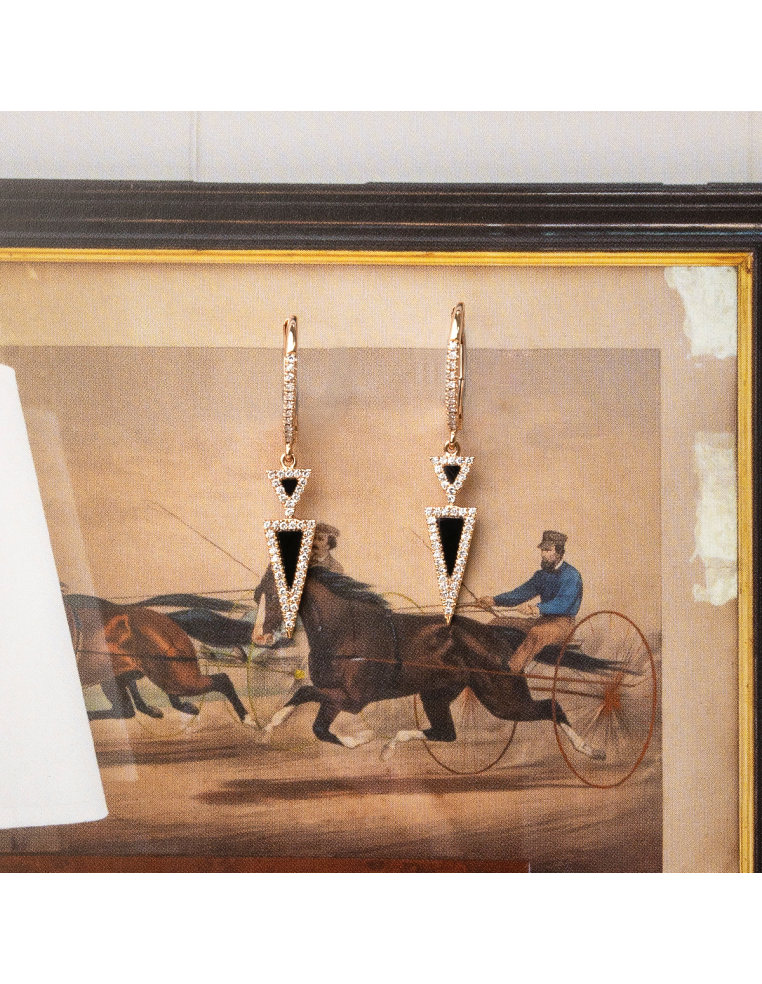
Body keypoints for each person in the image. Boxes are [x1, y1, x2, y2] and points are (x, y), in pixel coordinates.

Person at [478, 530, 582, 675]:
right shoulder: (541, 575)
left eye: (547, 550)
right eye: (542, 550)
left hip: (562, 625)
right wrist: (494, 600)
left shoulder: (572, 575)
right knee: (496, 622)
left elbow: (563, 603)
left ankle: (509, 670)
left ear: (559, 552)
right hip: (542, 620)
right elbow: (521, 593)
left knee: (536, 633)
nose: (543, 554)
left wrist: (536, 609)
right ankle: (489, 661)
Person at [252, 522, 343, 644]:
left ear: (329, 545)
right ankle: (263, 637)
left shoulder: (335, 568)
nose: (314, 542)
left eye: (320, 539)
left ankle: (270, 637)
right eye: (313, 538)